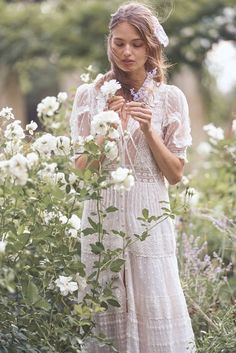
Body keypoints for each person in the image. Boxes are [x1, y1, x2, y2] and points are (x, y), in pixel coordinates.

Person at [70, 2, 195, 353]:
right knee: (103, 303)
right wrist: (109, 129)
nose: (127, 52)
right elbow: (81, 169)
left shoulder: (170, 98)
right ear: (108, 42)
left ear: (151, 46)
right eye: (119, 42)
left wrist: (148, 130)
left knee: (154, 301)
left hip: (149, 219)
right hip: (101, 218)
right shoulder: (90, 96)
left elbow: (175, 173)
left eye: (137, 44)